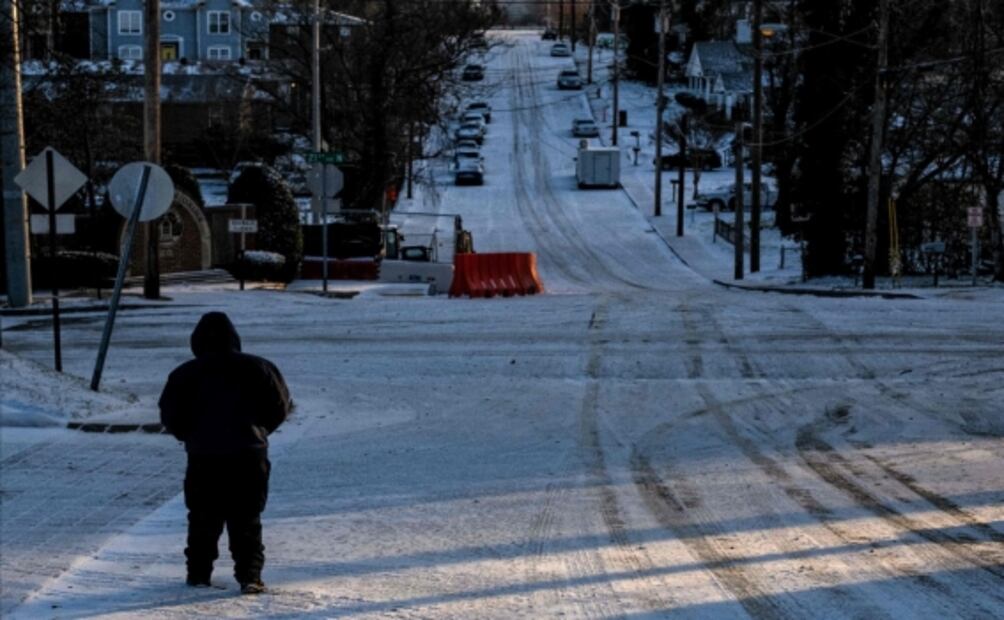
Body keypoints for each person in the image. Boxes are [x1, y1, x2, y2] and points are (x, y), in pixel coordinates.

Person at [159, 311, 291, 594]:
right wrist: (259, 430)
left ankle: (198, 574)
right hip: (249, 454)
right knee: (247, 517)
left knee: (202, 518)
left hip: (203, 456)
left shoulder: (184, 374)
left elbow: (170, 414)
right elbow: (280, 406)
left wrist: (191, 435)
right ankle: (250, 575)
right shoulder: (260, 368)